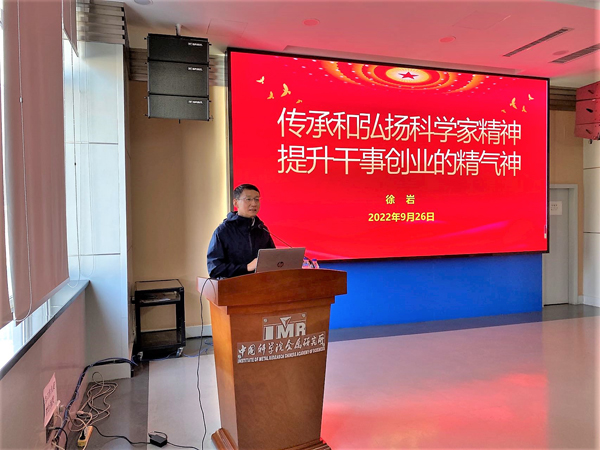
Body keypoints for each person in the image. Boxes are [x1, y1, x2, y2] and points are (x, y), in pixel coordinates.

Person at [207, 184, 275, 278]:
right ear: (236, 203)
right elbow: (214, 269)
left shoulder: (262, 229)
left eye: (256, 199)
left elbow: (272, 260)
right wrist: (246, 267)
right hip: (233, 285)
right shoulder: (223, 230)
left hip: (260, 284)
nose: (254, 203)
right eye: (248, 199)